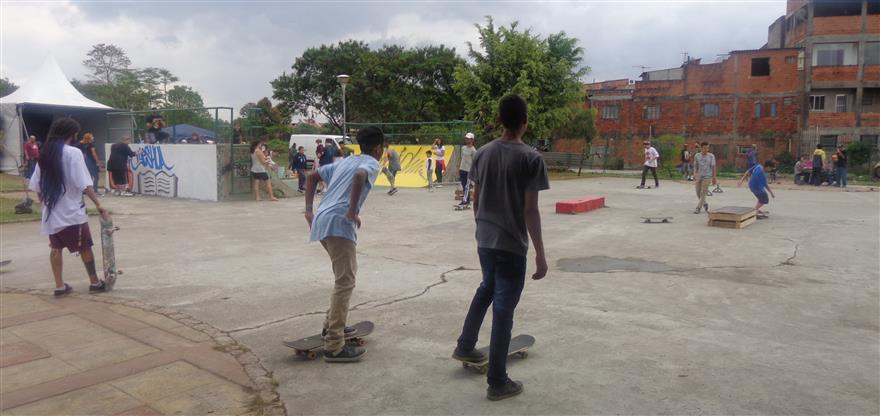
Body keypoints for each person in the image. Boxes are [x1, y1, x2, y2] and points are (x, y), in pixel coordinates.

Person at [452, 95, 548, 401]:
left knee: (487, 287)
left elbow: (477, 199)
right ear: (525, 122)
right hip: (510, 245)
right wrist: (541, 255)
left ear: (500, 120)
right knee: (504, 306)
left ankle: (466, 345)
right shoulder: (531, 158)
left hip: (486, 239)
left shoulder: (482, 153)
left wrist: (481, 230)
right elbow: (530, 210)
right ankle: (497, 380)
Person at [302, 126, 385, 362]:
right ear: (379, 148)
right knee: (345, 281)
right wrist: (351, 209)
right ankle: (334, 344)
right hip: (339, 223)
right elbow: (360, 176)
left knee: (343, 278)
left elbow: (311, 176)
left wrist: (309, 211)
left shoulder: (345, 161)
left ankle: (331, 326)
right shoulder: (370, 163)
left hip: (323, 221)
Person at [28, 117, 109, 296]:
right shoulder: (73, 153)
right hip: (72, 211)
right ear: (72, 134)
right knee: (85, 246)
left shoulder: (44, 154)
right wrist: (98, 203)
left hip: (52, 213)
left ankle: (59, 286)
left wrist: (46, 206)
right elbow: (84, 183)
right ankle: (94, 282)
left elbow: (37, 186)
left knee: (55, 247)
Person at [250, 137, 277, 202]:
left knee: (256, 183)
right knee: (268, 182)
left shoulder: (252, 151)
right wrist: (269, 162)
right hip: (260, 169)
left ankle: (257, 197)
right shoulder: (258, 151)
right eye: (260, 144)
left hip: (254, 169)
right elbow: (263, 162)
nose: (261, 145)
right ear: (257, 144)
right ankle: (271, 197)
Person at [693, 141, 716, 214]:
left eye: (707, 148)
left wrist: (714, 177)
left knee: (703, 192)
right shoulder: (697, 155)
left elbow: (713, 167)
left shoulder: (711, 156)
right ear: (701, 148)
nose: (706, 150)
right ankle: (705, 204)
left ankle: (698, 208)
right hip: (699, 176)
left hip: (707, 176)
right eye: (704, 148)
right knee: (698, 192)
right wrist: (694, 174)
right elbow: (695, 165)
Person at [458, 132, 477, 206]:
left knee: (467, 186)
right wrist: (458, 168)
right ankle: (467, 200)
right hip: (462, 169)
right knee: (464, 185)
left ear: (472, 140)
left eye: (468, 138)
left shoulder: (473, 150)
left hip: (469, 170)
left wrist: (474, 172)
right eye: (466, 138)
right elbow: (461, 158)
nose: (466, 140)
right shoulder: (463, 148)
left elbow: (475, 162)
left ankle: (465, 200)